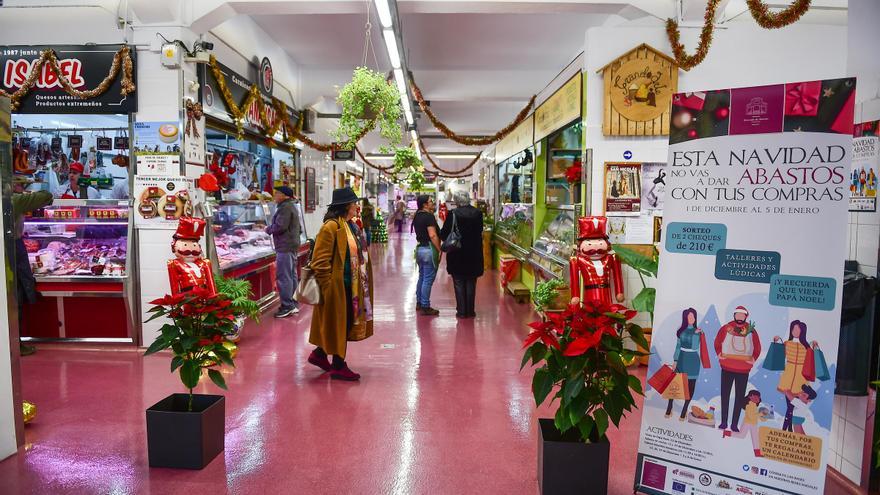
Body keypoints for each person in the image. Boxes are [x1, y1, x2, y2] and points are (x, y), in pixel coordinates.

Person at [307, 187, 373, 381]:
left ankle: (319, 354)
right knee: (340, 323)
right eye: (354, 203)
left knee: (340, 323)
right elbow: (320, 261)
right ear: (345, 206)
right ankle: (338, 365)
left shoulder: (349, 225)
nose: (356, 206)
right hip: (336, 287)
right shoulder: (331, 227)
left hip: (349, 286)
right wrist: (328, 287)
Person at [12, 184, 54, 356]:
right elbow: (47, 196)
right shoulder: (15, 199)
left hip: (9, 246)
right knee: (16, 294)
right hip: (11, 247)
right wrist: (25, 191)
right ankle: (15, 345)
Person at [714, 305, 761, 433]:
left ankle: (734, 424)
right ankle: (724, 422)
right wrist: (719, 353)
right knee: (725, 395)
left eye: (742, 315)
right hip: (727, 367)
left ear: (746, 316)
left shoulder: (751, 331)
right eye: (738, 314)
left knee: (740, 398)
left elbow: (757, 346)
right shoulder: (726, 328)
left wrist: (753, 358)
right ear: (734, 315)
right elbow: (717, 342)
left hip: (743, 369)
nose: (740, 317)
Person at [440, 193, 483, 318]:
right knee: (471, 281)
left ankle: (462, 311)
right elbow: (480, 231)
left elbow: (444, 234)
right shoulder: (478, 213)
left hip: (457, 253)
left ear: (456, 201)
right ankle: (470, 311)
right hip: (474, 252)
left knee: (458, 281)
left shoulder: (453, 214)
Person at [665, 308, 710, 420]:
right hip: (681, 359)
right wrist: (675, 360)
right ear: (685, 318)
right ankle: (669, 407)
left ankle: (684, 409)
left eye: (693, 316)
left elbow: (695, 346)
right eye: (689, 316)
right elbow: (678, 346)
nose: (692, 318)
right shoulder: (681, 331)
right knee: (674, 385)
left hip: (693, 361)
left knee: (690, 387)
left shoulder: (698, 331)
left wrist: (695, 334)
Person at [773, 320, 818, 432]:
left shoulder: (807, 347)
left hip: (800, 379)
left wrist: (815, 346)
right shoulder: (787, 343)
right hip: (788, 377)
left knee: (794, 406)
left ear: (802, 331)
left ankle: (786, 430)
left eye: (798, 329)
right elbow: (778, 357)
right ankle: (787, 430)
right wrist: (776, 342)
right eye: (793, 329)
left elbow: (813, 360)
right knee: (789, 406)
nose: (795, 331)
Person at [266, 186, 302, 318]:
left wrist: (267, 229)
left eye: (277, 193)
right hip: (291, 245)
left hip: (285, 246)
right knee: (291, 274)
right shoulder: (291, 206)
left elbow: (280, 226)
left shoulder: (285, 207)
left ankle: (287, 306)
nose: (275, 195)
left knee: (284, 276)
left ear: (285, 195)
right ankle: (292, 303)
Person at [412, 195, 441, 316]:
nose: (432, 203)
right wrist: (439, 250)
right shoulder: (429, 217)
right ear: (425, 204)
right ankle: (425, 305)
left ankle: (419, 302)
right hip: (429, 249)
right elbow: (433, 235)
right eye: (430, 201)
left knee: (422, 276)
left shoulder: (417, 216)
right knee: (428, 279)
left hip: (419, 249)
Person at [728, 390, 768, 457]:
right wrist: (760, 414)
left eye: (758, 397)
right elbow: (751, 416)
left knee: (755, 438)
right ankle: (726, 433)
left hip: (754, 424)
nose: (756, 399)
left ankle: (757, 453)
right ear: (750, 397)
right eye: (754, 397)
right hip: (747, 423)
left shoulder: (755, 406)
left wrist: (764, 416)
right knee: (741, 435)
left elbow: (760, 418)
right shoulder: (748, 405)